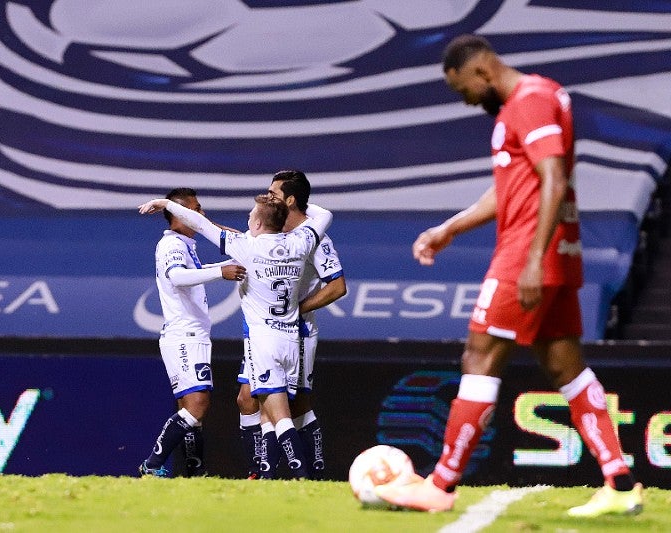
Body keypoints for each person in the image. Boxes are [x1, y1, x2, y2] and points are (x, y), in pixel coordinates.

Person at [376, 34, 643, 517]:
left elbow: (554, 179)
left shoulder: (531, 102)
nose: (467, 100)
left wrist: (535, 260)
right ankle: (620, 482)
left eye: (464, 91)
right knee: (566, 367)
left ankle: (440, 485)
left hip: (527, 255)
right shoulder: (538, 99)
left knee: (478, 358)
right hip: (555, 253)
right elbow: (511, 189)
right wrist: (448, 229)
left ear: (481, 72)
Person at [139, 191, 333, 479]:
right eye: (195, 209)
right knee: (249, 409)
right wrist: (293, 203)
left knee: (275, 415)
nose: (201, 213)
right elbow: (325, 216)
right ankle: (265, 473)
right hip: (290, 338)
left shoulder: (247, 246)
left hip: (262, 341)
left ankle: (295, 473)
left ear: (256, 225)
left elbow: (206, 228)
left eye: (251, 217)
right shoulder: (300, 242)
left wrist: (166, 205)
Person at [236, 170, 346, 480]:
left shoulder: (314, 237)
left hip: (296, 332)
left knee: (294, 407)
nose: (268, 197)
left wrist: (297, 309)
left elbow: (337, 286)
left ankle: (314, 474)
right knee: (248, 398)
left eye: (273, 192)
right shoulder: (268, 232)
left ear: (291, 199)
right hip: (262, 331)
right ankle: (261, 472)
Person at [137, 188, 247, 478]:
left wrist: (222, 266)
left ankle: (195, 472)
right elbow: (177, 277)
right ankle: (152, 464)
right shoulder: (172, 245)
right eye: (196, 210)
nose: (202, 216)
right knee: (197, 405)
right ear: (179, 214)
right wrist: (218, 273)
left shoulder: (184, 244)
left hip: (192, 334)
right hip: (184, 335)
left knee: (192, 409)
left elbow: (191, 271)